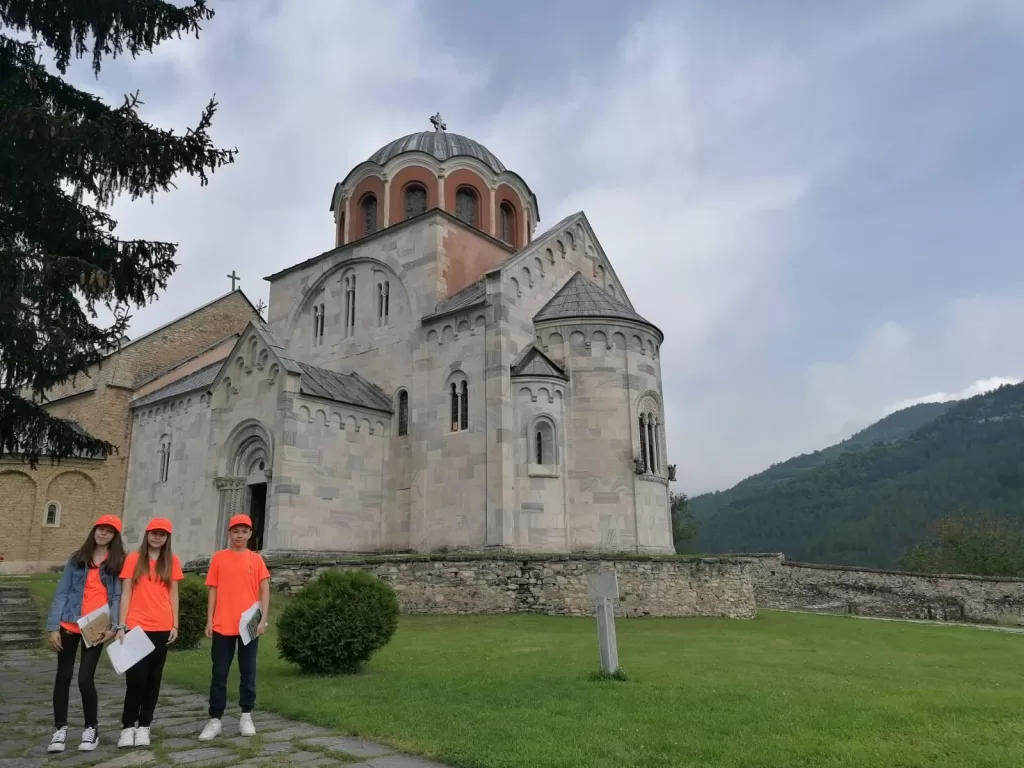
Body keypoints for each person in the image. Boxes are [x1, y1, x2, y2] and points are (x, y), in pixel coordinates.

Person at [45, 514, 125, 753]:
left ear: (114, 537)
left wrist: (114, 627)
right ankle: (60, 729)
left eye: (109, 531)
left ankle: (91, 728)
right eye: (100, 529)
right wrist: (53, 627)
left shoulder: (117, 562)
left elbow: (117, 597)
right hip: (70, 623)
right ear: (94, 531)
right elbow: (62, 591)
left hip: (96, 627)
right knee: (63, 677)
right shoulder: (77, 558)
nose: (103, 534)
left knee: (85, 678)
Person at [198, 514, 270, 742]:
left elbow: (264, 590)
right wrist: (209, 619)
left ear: (250, 534)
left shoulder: (255, 560)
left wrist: (263, 619)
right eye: (235, 531)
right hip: (222, 622)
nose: (239, 535)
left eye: (244, 531)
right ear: (229, 533)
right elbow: (213, 590)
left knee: (248, 671)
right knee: (219, 672)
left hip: (248, 623)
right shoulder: (219, 558)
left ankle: (246, 715)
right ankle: (215, 719)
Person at [115, 517, 184, 749]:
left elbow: (173, 594)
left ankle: (144, 725)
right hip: (136, 627)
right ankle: (127, 726)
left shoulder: (171, 561)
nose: (157, 537)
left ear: (167, 538)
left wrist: (175, 624)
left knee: (153, 680)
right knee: (136, 680)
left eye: (162, 534)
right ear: (147, 535)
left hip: (162, 627)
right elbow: (125, 593)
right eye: (154, 533)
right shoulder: (134, 559)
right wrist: (121, 625)